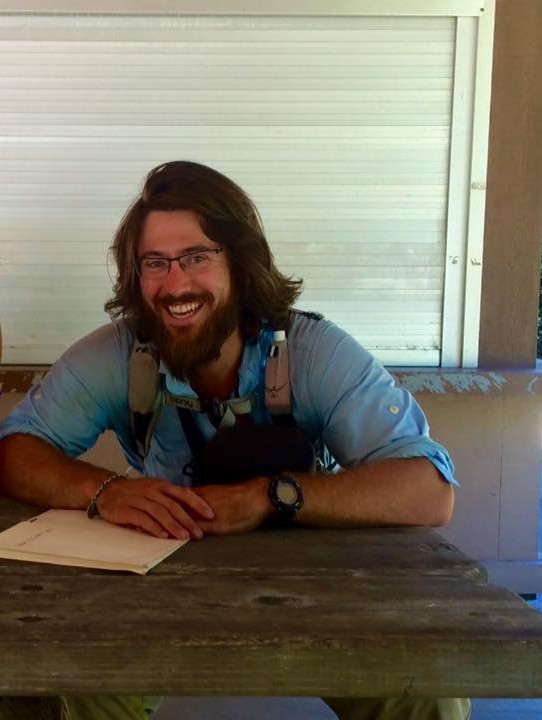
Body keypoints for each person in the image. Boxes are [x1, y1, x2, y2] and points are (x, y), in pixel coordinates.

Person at [0, 161, 469, 720]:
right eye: (155, 263)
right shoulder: (119, 353)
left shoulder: (312, 351)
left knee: (427, 694)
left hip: (312, 580)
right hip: (160, 586)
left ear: (242, 265)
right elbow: (15, 449)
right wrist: (103, 491)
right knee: (71, 681)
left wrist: (270, 497)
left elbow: (429, 488)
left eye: (197, 257)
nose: (175, 285)